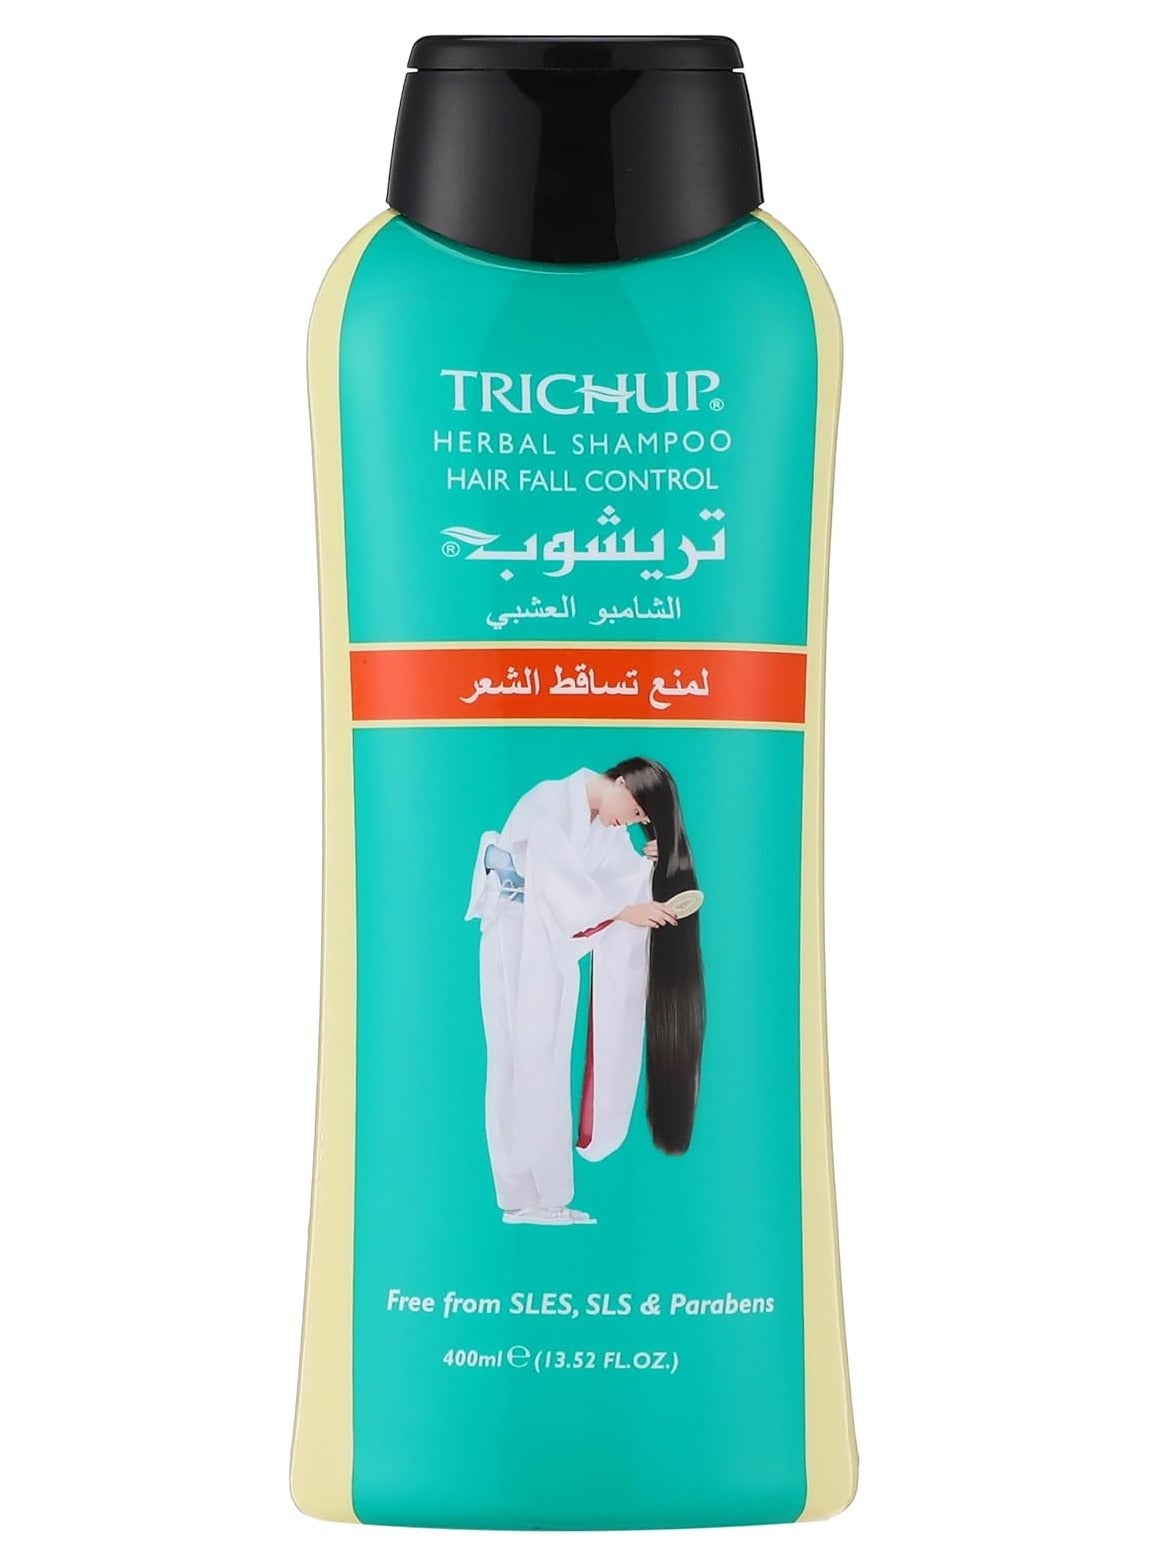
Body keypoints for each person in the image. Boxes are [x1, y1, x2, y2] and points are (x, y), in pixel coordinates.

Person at [465, 759, 705, 1225]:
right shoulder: (550, 802)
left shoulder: (601, 826)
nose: (631, 823)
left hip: (547, 947)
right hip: (514, 938)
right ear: (623, 783)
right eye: (636, 812)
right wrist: (622, 910)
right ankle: (519, 1196)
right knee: (516, 1060)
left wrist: (650, 864)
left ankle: (548, 1195)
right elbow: (561, 885)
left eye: (641, 820)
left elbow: (614, 881)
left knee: (549, 1061)